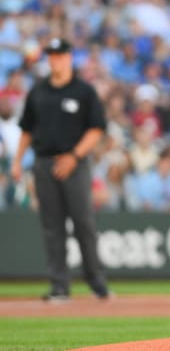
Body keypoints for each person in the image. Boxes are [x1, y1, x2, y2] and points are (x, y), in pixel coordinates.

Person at [11, 38, 110, 302]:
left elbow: (96, 128)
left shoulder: (83, 91)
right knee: (52, 226)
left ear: (69, 57)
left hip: (75, 165)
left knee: (83, 223)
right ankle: (59, 285)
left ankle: (96, 280)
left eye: (60, 54)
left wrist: (74, 156)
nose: (55, 59)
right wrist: (17, 161)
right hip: (44, 162)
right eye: (51, 55)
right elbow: (27, 129)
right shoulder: (38, 91)